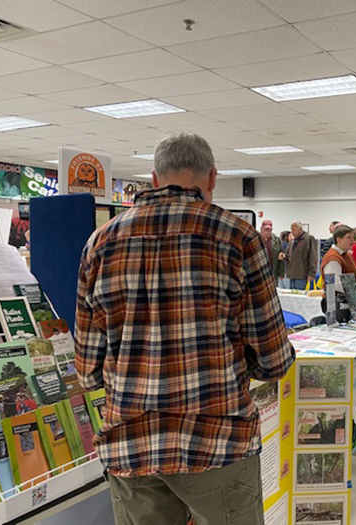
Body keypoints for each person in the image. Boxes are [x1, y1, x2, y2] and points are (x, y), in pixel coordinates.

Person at [74, 132, 295, 525]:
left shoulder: (100, 243)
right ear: (212, 178)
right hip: (217, 443)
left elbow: (88, 371)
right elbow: (273, 360)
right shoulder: (238, 237)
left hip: (131, 444)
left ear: (155, 179)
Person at [320, 224, 356, 296]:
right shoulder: (332, 258)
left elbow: (348, 273)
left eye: (353, 238)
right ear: (339, 240)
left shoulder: (346, 254)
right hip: (336, 302)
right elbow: (335, 283)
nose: (353, 241)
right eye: (348, 237)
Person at [286, 222, 318, 290]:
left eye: (294, 230)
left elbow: (313, 257)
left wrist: (312, 273)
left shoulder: (308, 239)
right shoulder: (292, 241)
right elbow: (289, 255)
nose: (292, 232)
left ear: (300, 229)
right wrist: (283, 256)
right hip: (292, 274)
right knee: (292, 297)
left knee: (300, 298)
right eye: (291, 230)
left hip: (302, 275)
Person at [259, 219, 286, 286]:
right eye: (266, 229)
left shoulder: (276, 240)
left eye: (269, 230)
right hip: (258, 273)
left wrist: (281, 273)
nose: (268, 232)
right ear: (261, 229)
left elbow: (281, 256)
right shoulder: (255, 238)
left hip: (273, 273)